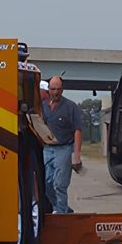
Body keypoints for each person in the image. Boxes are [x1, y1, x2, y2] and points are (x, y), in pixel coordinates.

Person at [39, 75, 82, 215]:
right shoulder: (42, 106)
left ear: (62, 90)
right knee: (47, 184)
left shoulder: (71, 107)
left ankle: (62, 215)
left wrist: (77, 156)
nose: (55, 92)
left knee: (59, 185)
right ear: (48, 89)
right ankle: (63, 209)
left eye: (58, 89)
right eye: (52, 89)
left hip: (64, 148)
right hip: (47, 148)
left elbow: (77, 131)